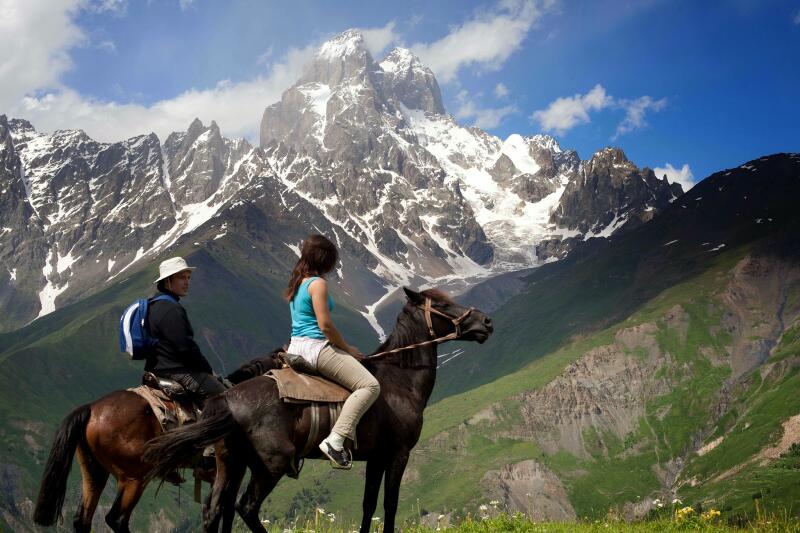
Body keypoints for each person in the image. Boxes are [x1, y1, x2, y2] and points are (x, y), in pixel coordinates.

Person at [286, 235, 380, 469]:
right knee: (370, 386)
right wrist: (347, 348)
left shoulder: (298, 283)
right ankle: (335, 441)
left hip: (296, 345)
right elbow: (325, 326)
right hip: (315, 347)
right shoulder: (317, 284)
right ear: (325, 259)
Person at [146, 256, 227, 405]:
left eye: (188, 278)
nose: (187, 282)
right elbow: (185, 348)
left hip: (155, 370)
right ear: (167, 281)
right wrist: (208, 371)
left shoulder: (153, 305)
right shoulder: (171, 309)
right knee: (228, 400)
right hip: (176, 371)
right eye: (181, 278)